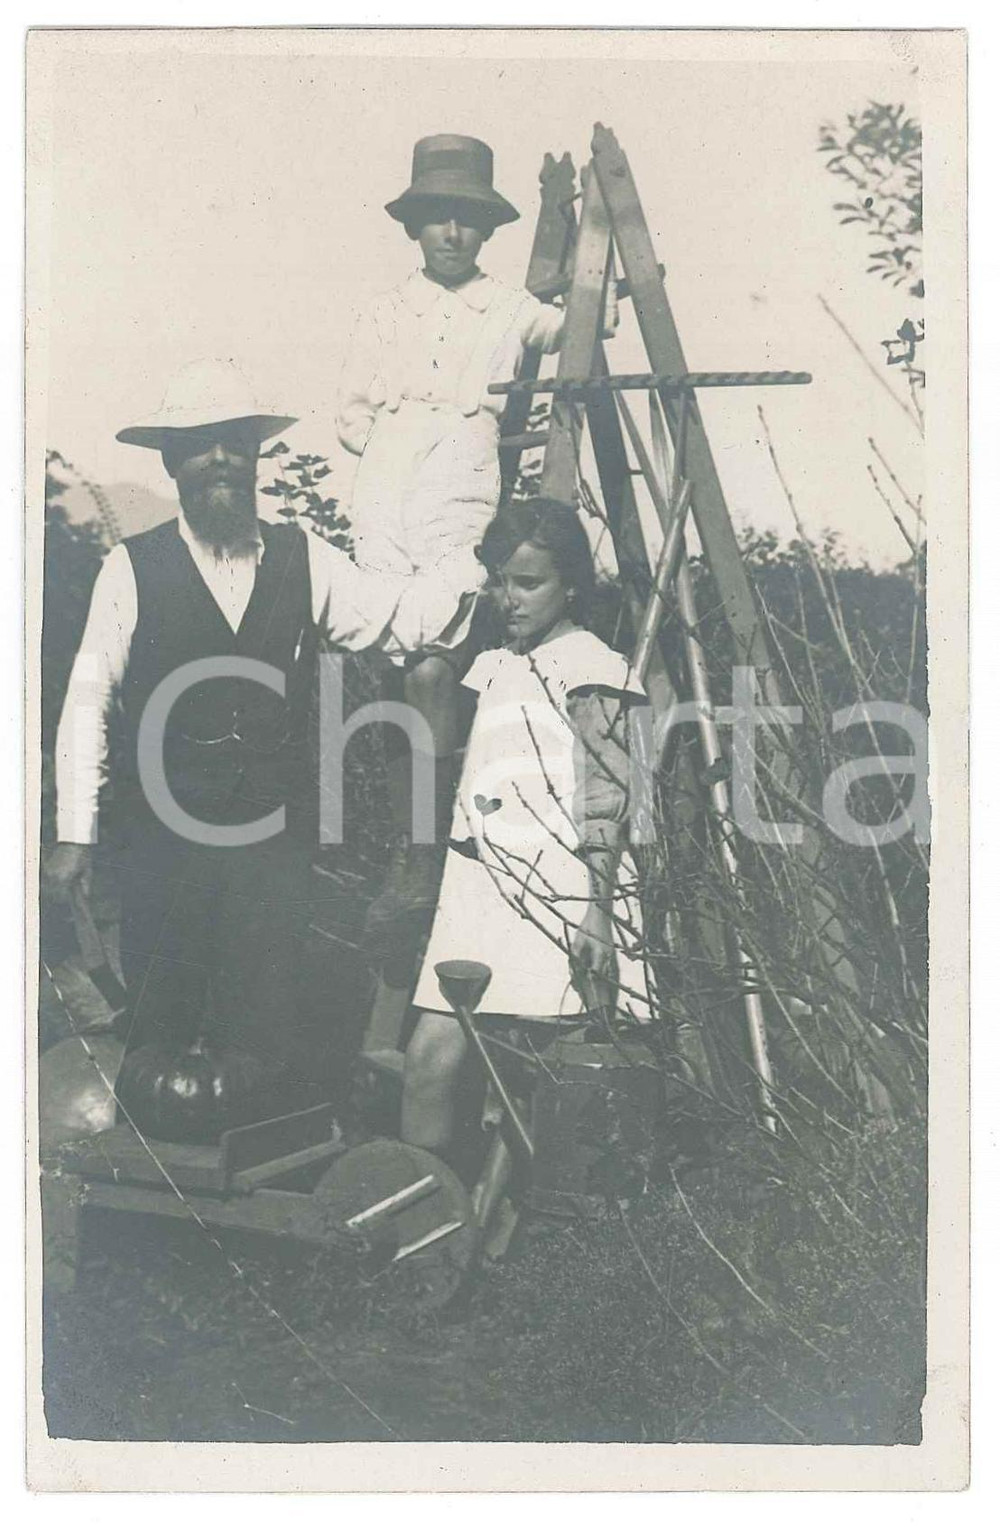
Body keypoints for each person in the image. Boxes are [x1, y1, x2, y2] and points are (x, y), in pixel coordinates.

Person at [45, 358, 482, 1109]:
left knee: (265, 1014)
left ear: (255, 457)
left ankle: (256, 1191)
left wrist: (476, 561)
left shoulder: (300, 556)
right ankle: (159, 1200)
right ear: (171, 461)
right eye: (202, 443)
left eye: (235, 442)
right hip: (164, 837)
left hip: (272, 839)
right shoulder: (132, 567)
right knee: (163, 1012)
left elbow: (400, 618)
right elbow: (88, 699)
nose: (221, 457)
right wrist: (75, 832)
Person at [337, 134, 618, 945]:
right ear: (415, 227)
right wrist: (393, 440)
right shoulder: (383, 313)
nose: (451, 234)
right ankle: (407, 848)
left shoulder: (509, 308)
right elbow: (351, 411)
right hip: (387, 478)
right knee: (398, 667)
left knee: (434, 661)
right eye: (437, 219)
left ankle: (421, 858)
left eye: (466, 220)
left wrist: (600, 286)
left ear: (486, 230)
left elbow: (574, 331)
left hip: (461, 469)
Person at [400, 498, 650, 1167]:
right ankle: (422, 1222)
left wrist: (597, 913)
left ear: (570, 582)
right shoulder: (496, 665)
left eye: (528, 582)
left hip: (558, 886)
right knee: (429, 1059)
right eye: (498, 581)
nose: (508, 598)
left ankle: (527, 1236)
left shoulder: (594, 667)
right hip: (479, 888)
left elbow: (608, 797)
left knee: (537, 1082)